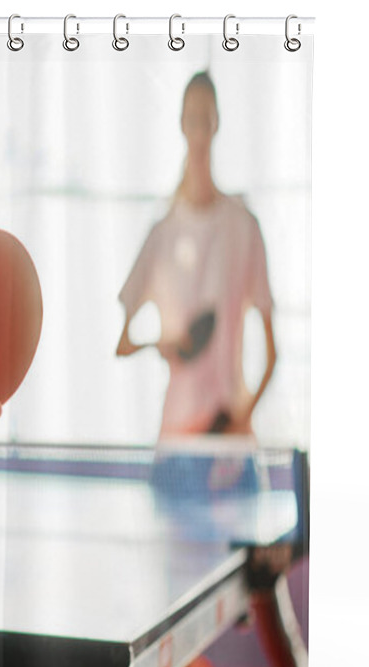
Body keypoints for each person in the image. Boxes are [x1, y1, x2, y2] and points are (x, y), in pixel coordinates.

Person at [116, 71, 276, 438]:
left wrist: (240, 420)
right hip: (177, 443)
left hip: (231, 444)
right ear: (181, 124)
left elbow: (272, 355)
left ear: (217, 122)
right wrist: (162, 343)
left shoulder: (244, 226)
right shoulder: (162, 233)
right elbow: (123, 342)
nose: (200, 128)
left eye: (207, 117)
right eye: (192, 118)